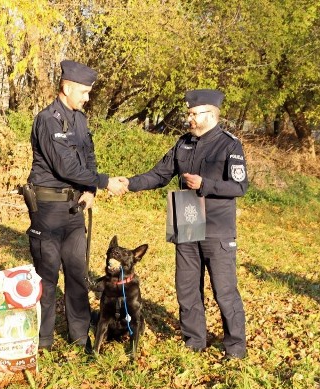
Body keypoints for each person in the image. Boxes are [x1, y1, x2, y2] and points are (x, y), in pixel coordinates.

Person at [126, 89, 248, 359]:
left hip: (217, 227)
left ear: (210, 114)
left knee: (224, 290)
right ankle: (194, 341)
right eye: (189, 113)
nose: (189, 118)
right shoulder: (183, 144)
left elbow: (240, 186)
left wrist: (206, 184)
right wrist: (128, 184)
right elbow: (159, 174)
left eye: (193, 114)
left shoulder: (229, 144)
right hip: (186, 218)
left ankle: (236, 348)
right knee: (187, 287)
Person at [26, 60, 128, 352]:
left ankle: (80, 335)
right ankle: (43, 340)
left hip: (74, 210)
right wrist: (106, 181)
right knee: (47, 275)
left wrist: (91, 188)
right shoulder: (48, 120)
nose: (87, 98)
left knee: (77, 272)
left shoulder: (80, 120)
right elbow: (65, 165)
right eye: (83, 92)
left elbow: (88, 157)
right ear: (66, 87)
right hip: (48, 210)